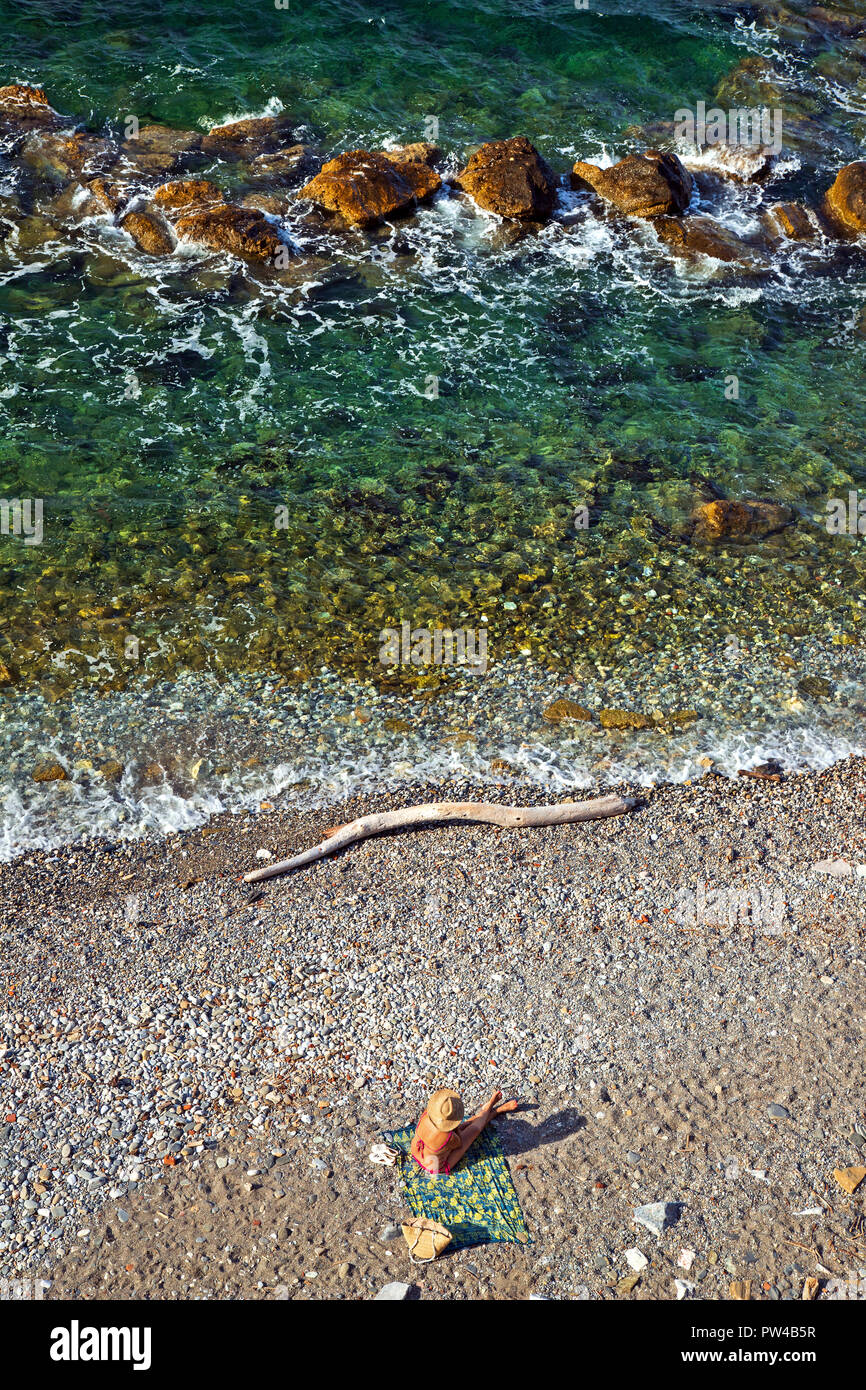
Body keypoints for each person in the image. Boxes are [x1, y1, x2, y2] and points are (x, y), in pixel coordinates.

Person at [411, 1086, 518, 1177]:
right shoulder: (448, 1137)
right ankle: (492, 1111)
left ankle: (484, 1112)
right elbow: (460, 1142)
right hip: (435, 1166)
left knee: (462, 1127)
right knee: (474, 1130)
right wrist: (458, 1128)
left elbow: (454, 1131)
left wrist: (456, 1128)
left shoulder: (426, 1114)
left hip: (416, 1152)